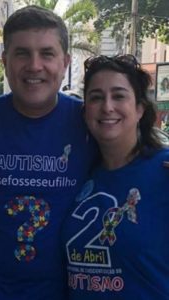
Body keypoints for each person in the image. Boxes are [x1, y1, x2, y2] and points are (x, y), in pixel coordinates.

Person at [0, 5, 97, 300]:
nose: (34, 65)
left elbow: (135, 155)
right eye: (22, 53)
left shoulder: (89, 121)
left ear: (64, 62)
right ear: (5, 61)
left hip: (67, 292)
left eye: (47, 53)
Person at [63, 54, 169, 299]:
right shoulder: (77, 173)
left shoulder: (163, 171)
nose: (107, 106)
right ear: (85, 110)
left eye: (119, 96)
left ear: (140, 109)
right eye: (96, 97)